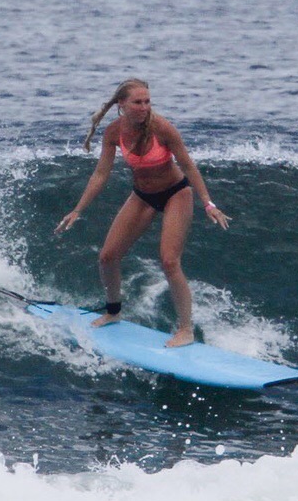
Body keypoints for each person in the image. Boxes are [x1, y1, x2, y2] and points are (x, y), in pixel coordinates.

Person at [55, 78, 230, 347]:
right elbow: (101, 174)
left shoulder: (162, 128)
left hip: (176, 193)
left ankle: (186, 329)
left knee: (170, 261)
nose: (144, 107)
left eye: (147, 101)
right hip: (143, 196)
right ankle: (113, 312)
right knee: (107, 257)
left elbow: (188, 165)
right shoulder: (114, 132)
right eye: (138, 102)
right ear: (121, 104)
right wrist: (78, 209)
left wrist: (208, 203)